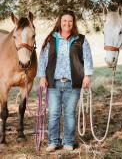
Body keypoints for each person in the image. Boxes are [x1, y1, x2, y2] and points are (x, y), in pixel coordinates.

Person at [37, 9, 93, 152]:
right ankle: (53, 142)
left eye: (70, 21)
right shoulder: (51, 38)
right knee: (54, 113)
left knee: (69, 113)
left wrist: (87, 75)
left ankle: (68, 141)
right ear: (60, 23)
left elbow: (87, 58)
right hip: (53, 83)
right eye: (64, 21)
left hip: (73, 83)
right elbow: (43, 58)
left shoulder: (81, 39)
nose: (67, 23)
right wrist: (42, 76)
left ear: (73, 23)